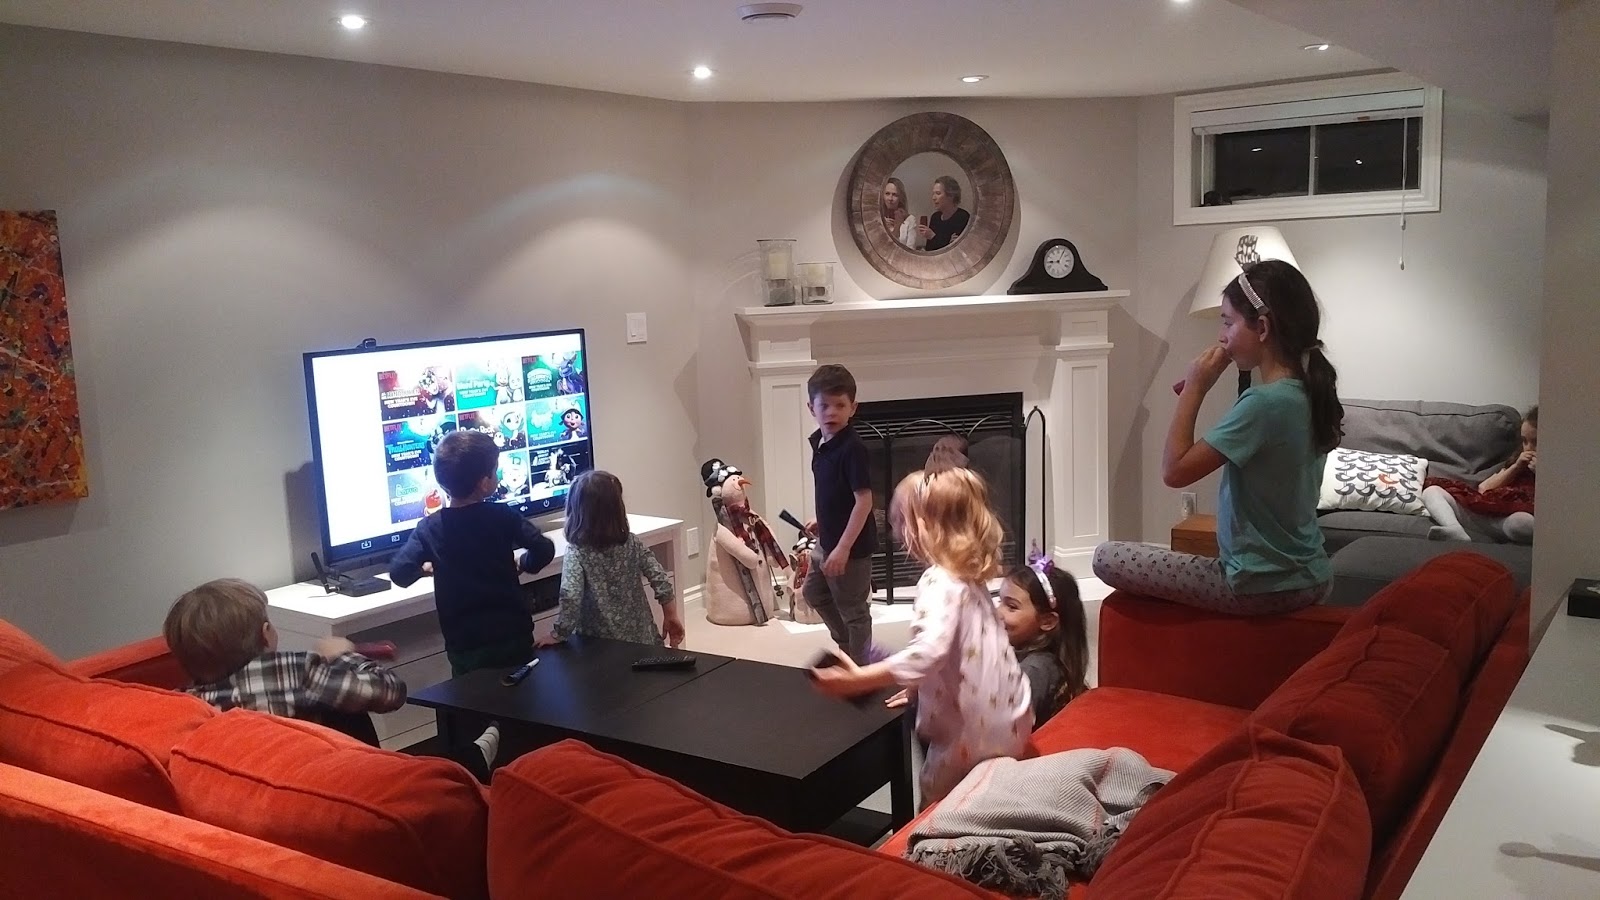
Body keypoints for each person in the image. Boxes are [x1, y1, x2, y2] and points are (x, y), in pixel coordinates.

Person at [1093, 259, 1340, 615]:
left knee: (1106, 556)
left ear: (1262, 328)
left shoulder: (1264, 404)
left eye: (1227, 322)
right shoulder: (1305, 393)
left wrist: (1195, 388)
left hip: (1259, 585)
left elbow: (1174, 471)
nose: (1221, 336)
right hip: (1312, 576)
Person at [811, 466, 1032, 806]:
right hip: (1014, 717)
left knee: (934, 797)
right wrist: (918, 685)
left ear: (921, 526)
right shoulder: (969, 578)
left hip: (972, 736)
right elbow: (963, 649)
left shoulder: (937, 581)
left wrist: (858, 680)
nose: (895, 533)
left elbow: (929, 651)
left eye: (898, 522)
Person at [390, 429, 557, 676]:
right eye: (495, 471)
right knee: (521, 688)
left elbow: (399, 573)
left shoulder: (430, 527)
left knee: (470, 694)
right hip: (512, 633)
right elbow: (544, 549)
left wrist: (425, 569)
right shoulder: (502, 515)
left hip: (464, 643)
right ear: (484, 482)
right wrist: (524, 563)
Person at [164, 578, 406, 738]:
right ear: (266, 634)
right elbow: (391, 692)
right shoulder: (297, 673)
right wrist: (344, 656)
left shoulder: (188, 706)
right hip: (327, 777)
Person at [537, 470, 685, 648]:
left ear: (575, 511)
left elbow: (571, 596)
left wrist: (559, 634)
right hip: (643, 642)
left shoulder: (577, 552)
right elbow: (660, 577)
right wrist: (670, 615)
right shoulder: (631, 542)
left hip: (600, 648)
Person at [802, 364, 877, 665]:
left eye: (840, 405)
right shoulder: (820, 443)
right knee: (813, 593)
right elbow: (835, 492)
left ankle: (860, 669)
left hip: (852, 548)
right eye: (824, 406)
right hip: (828, 539)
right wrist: (823, 520)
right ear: (812, 408)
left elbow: (864, 501)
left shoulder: (853, 449)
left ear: (853, 408)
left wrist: (844, 549)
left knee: (854, 610)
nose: (831, 412)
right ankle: (846, 645)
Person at [998, 551, 1089, 730]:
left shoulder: (1035, 670)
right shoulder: (1024, 652)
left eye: (1011, 607)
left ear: (1047, 621)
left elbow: (1003, 727)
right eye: (1000, 601)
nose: (997, 612)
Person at [1421, 406, 1537, 544]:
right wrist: (1516, 467)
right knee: (1431, 491)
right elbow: (1484, 488)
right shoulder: (1516, 461)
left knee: (1523, 522)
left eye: (1535, 442)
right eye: (1524, 441)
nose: (1528, 447)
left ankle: (1490, 535)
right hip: (1484, 514)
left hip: (1509, 521)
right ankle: (1455, 529)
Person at [915, 175, 970, 252]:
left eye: (938, 193)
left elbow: (956, 250)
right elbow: (930, 249)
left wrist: (933, 236)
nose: (933, 198)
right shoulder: (935, 217)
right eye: (933, 194)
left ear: (951, 195)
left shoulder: (962, 217)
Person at [882, 177, 921, 248]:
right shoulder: (878, 219)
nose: (890, 198)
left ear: (900, 198)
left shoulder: (910, 220)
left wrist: (897, 226)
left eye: (895, 195)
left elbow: (910, 249)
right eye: (887, 194)